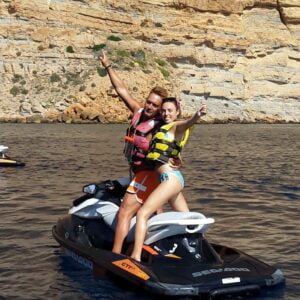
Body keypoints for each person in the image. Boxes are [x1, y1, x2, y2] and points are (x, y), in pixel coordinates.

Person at [99, 51, 189, 254]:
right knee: (155, 213)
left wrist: (176, 157)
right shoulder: (138, 112)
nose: (149, 106)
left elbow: (171, 142)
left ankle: (116, 255)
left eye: (155, 105)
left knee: (124, 213)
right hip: (141, 175)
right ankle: (153, 249)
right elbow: (121, 89)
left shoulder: (159, 126)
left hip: (148, 175)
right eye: (148, 101)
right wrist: (108, 66)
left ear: (160, 109)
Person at [131, 97, 207, 262]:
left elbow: (187, 123)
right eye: (163, 110)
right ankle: (202, 255)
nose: (166, 114)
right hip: (172, 180)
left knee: (143, 214)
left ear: (177, 112)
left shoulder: (175, 126)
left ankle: (135, 257)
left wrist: (197, 116)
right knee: (188, 219)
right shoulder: (164, 129)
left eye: (170, 111)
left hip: (170, 180)